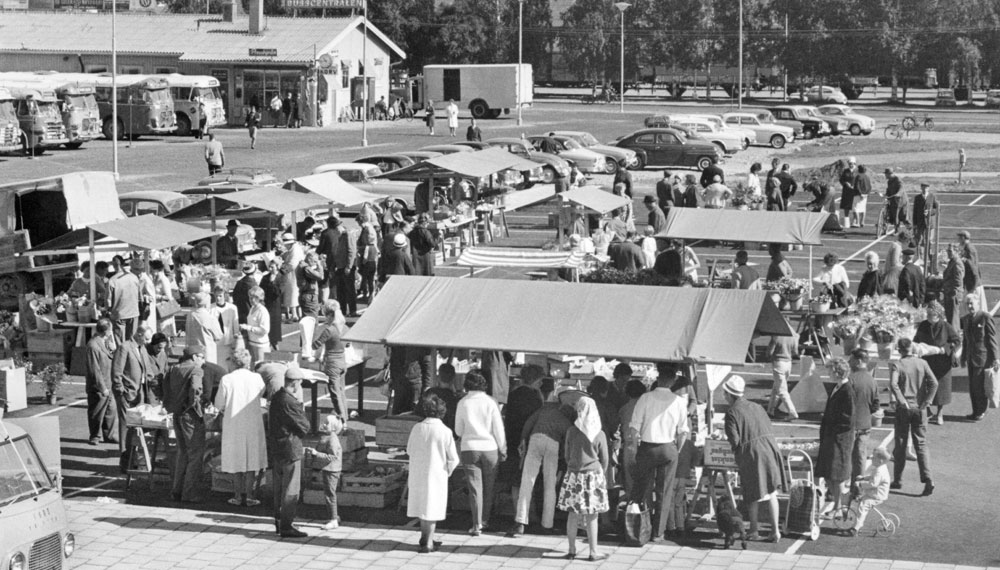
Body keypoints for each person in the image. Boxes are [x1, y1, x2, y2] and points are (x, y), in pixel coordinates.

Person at [629, 363, 690, 542]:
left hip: (647, 447)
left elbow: (634, 428)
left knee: (641, 488)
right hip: (668, 448)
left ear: (658, 378)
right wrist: (676, 449)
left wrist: (634, 447)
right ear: (672, 381)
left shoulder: (645, 398)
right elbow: (683, 432)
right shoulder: (679, 402)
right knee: (665, 491)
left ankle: (639, 525)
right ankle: (658, 532)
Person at [722, 376, 784, 542]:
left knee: (751, 493)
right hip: (770, 447)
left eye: (725, 393)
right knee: (771, 491)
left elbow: (734, 440)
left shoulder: (731, 412)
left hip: (752, 453)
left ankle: (754, 530)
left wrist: (736, 452)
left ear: (729, 394)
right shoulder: (757, 406)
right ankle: (775, 531)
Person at [510, 377, 571, 537]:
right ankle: (547, 524)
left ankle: (520, 523)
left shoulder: (541, 410)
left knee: (527, 481)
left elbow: (528, 425)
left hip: (535, 440)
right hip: (553, 444)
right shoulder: (562, 415)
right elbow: (569, 435)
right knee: (550, 485)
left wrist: (523, 441)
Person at [214, 348, 267, 507]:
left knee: (237, 460)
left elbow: (219, 403)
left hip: (234, 424)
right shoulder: (257, 378)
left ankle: (237, 496)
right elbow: (262, 394)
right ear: (249, 361)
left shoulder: (227, 379)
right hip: (252, 422)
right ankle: (249, 496)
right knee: (251, 459)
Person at [557, 397, 609, 562]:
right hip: (593, 475)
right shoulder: (598, 433)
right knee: (592, 515)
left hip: (574, 475)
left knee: (572, 514)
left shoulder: (572, 431)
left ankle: (572, 549)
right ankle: (593, 551)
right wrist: (601, 473)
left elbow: (566, 454)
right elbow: (605, 458)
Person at [454, 370, 506, 536]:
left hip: (469, 447)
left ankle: (476, 525)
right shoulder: (491, 402)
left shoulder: (463, 403)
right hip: (490, 448)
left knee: (475, 488)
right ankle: (485, 519)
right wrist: (503, 448)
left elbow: (458, 430)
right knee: (489, 487)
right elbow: (498, 429)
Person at [407, 393, 460, 553]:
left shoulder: (417, 428)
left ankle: (425, 536)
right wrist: (448, 471)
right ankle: (428, 541)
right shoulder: (445, 431)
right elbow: (453, 458)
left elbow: (409, 449)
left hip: (418, 472)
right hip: (437, 473)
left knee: (422, 505)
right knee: (433, 507)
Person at [888, 338, 938, 496]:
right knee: (921, 445)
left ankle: (898, 479)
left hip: (904, 409)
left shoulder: (898, 364)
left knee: (900, 444)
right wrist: (927, 401)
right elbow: (934, 383)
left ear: (899, 349)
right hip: (920, 408)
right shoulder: (922, 363)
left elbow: (893, 384)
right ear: (911, 348)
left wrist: (901, 400)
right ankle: (928, 479)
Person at [268, 368, 311, 538]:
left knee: (278, 487)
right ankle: (287, 525)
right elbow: (305, 426)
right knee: (291, 489)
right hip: (290, 448)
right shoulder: (290, 402)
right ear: (295, 383)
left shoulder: (277, 397)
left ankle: (279, 522)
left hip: (277, 447)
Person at [163, 345, 207, 503]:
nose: (203, 360)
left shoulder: (174, 369)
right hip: (190, 415)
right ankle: (189, 493)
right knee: (195, 455)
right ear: (195, 357)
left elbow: (164, 388)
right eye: (202, 357)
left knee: (182, 453)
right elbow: (196, 389)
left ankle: (177, 490)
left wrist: (170, 406)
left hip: (176, 413)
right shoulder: (196, 370)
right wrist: (196, 406)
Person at [911, 301, 960, 425]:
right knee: (924, 386)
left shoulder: (946, 326)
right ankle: (927, 410)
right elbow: (916, 340)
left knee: (941, 388)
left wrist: (946, 348)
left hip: (942, 362)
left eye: (931, 315)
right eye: (927, 314)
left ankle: (939, 413)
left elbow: (956, 341)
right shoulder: (923, 325)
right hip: (927, 361)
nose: (928, 317)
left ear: (938, 315)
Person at [111, 324, 152, 458]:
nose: (148, 342)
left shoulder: (143, 348)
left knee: (137, 425)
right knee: (125, 426)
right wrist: (121, 390)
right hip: (127, 393)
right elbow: (117, 372)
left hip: (139, 393)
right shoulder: (125, 347)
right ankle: (124, 458)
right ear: (139, 335)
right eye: (146, 339)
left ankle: (134, 456)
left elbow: (147, 369)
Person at [961, 293, 999, 421]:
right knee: (972, 386)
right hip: (970, 357)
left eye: (972, 303)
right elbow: (965, 340)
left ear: (978, 303)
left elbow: (992, 339)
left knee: (979, 386)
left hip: (982, 358)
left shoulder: (985, 317)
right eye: (968, 304)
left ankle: (981, 411)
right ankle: (975, 411)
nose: (970, 306)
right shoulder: (965, 319)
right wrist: (962, 357)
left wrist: (996, 358)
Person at [846, 350, 880, 490]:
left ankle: (835, 489)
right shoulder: (872, 380)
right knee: (860, 458)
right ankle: (857, 488)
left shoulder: (850, 379)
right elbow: (876, 404)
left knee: (845, 457)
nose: (849, 362)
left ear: (858, 361)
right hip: (865, 425)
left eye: (851, 359)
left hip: (850, 425)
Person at [305, 414, 344, 531]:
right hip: (329, 468)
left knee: (330, 495)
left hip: (331, 469)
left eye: (326, 423)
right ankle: (334, 516)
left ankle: (333, 519)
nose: (323, 424)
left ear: (332, 428)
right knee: (330, 493)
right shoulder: (328, 436)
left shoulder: (332, 438)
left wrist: (316, 454)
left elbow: (331, 456)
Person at [313, 301, 349, 421]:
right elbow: (348, 343)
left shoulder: (329, 330)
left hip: (332, 363)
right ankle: (345, 416)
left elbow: (316, 345)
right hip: (343, 361)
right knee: (341, 391)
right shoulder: (344, 327)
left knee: (335, 394)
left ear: (329, 315)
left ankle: (342, 419)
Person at [85, 318, 118, 446]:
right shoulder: (93, 346)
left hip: (109, 382)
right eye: (110, 330)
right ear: (106, 331)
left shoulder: (106, 342)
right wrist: (102, 387)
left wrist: (113, 349)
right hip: (99, 385)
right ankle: (95, 436)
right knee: (97, 412)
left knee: (111, 411)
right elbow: (94, 370)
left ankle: (109, 435)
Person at [849, 447, 891, 537]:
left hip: (876, 495)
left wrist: (860, 484)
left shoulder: (879, 471)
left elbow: (873, 483)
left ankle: (857, 527)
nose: (871, 458)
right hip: (877, 494)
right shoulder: (881, 468)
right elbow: (873, 477)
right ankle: (858, 525)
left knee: (862, 506)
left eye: (874, 457)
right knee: (863, 501)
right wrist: (864, 477)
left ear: (880, 461)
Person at [617, 379, 646, 496]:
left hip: (629, 446)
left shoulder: (624, 409)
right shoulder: (647, 407)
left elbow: (619, 427)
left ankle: (631, 507)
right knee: (646, 482)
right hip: (645, 445)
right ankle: (646, 508)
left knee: (630, 481)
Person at [766, 331, 799, 419]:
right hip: (788, 363)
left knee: (782, 390)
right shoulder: (793, 336)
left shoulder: (776, 336)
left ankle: (792, 412)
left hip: (778, 363)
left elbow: (769, 353)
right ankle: (770, 410)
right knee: (776, 387)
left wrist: (770, 358)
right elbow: (795, 351)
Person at [108, 258, 141, 343]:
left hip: (119, 314)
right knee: (132, 341)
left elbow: (108, 302)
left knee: (120, 342)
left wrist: (107, 310)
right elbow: (140, 296)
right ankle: (132, 356)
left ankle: (122, 356)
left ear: (114, 265)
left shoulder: (112, 280)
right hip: (133, 312)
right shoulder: (134, 277)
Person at [186, 292, 223, 365]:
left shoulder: (190, 314)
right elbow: (219, 336)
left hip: (192, 351)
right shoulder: (210, 318)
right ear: (207, 303)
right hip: (207, 353)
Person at [424, 362, 461, 430]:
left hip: (428, 430)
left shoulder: (429, 393)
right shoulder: (455, 399)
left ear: (438, 376)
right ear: (453, 378)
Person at [333, 221, 359, 317]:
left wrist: (349, 266)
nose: (336, 232)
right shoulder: (340, 237)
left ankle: (353, 310)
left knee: (349, 289)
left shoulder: (348, 235)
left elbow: (351, 251)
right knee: (340, 290)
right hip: (340, 266)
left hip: (346, 267)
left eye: (337, 229)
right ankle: (342, 311)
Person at [241, 286, 271, 363]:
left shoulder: (262, 311)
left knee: (262, 367)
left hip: (261, 345)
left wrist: (248, 328)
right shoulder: (252, 308)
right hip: (252, 343)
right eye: (250, 297)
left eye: (255, 298)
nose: (252, 300)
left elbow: (264, 330)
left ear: (260, 299)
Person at [259, 260, 284, 350]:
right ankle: (269, 347)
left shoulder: (281, 277)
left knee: (274, 327)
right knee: (267, 325)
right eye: (269, 267)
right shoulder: (265, 277)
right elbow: (261, 289)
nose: (270, 269)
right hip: (266, 304)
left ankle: (275, 347)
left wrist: (272, 282)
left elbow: (279, 292)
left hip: (275, 305)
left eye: (272, 267)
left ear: (277, 267)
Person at [280, 233, 305, 322]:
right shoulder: (294, 248)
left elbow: (292, 265)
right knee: (292, 294)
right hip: (293, 274)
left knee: (292, 293)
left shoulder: (295, 250)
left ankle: (294, 315)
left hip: (294, 274)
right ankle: (294, 314)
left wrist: (281, 271)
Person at [941, 244, 965, 328]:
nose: (948, 253)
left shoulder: (957, 263)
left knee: (953, 319)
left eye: (950, 251)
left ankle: (954, 338)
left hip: (953, 294)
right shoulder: (952, 261)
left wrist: (949, 291)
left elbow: (958, 282)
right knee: (950, 317)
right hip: (950, 293)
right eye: (948, 251)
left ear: (957, 252)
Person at [232, 261, 257, 343]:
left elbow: (234, 296)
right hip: (250, 313)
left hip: (240, 312)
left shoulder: (239, 282)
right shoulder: (253, 285)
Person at [912, 183, 938, 250]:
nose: (924, 189)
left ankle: (931, 257)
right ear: (921, 188)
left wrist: (930, 212)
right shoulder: (917, 198)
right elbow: (915, 211)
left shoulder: (932, 196)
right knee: (919, 240)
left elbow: (936, 209)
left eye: (926, 188)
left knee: (929, 241)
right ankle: (919, 256)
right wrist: (914, 224)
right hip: (920, 222)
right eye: (923, 188)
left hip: (930, 223)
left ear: (928, 188)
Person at [957, 230, 982, 294]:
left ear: (963, 238)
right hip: (970, 280)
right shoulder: (967, 247)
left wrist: (961, 259)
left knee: (972, 301)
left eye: (959, 238)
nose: (958, 239)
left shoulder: (969, 247)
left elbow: (972, 264)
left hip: (972, 282)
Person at [839, 157, 858, 228]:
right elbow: (841, 180)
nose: (851, 165)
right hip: (846, 191)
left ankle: (855, 220)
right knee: (846, 205)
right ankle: (846, 219)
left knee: (855, 206)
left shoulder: (857, 171)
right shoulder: (845, 171)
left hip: (854, 191)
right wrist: (845, 183)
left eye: (852, 164)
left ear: (854, 163)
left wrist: (855, 185)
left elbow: (859, 180)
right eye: (849, 164)